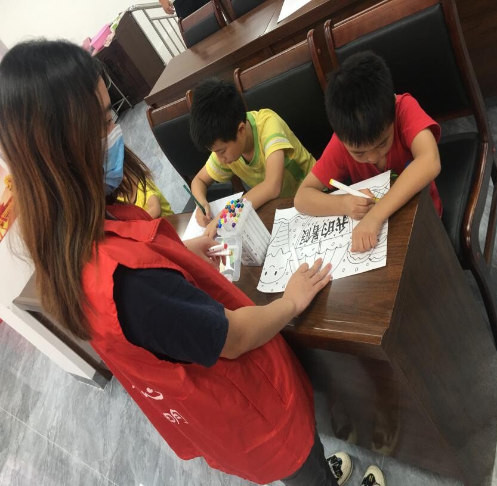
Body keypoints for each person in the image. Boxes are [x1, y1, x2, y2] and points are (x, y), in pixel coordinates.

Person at [0, 40, 387, 486]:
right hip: (254, 410)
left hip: (226, 415)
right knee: (302, 463)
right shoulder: (129, 284)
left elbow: (152, 285)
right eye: (104, 120)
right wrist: (291, 302)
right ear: (62, 147)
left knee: (306, 462)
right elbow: (234, 337)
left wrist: (183, 256)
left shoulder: (67, 243)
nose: (116, 130)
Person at [295, 51, 441, 253]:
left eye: (382, 144)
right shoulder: (342, 142)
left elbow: (430, 160)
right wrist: (344, 204)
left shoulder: (403, 109)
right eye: (359, 153)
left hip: (425, 216)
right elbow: (301, 198)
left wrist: (375, 215)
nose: (373, 157)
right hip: (381, 238)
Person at [190, 77, 316, 237]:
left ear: (241, 130)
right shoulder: (227, 145)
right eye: (214, 152)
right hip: (280, 211)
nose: (219, 158)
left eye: (221, 151)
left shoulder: (268, 125)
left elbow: (272, 186)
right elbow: (198, 181)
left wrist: (226, 215)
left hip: (314, 193)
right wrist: (201, 204)